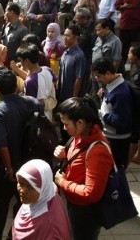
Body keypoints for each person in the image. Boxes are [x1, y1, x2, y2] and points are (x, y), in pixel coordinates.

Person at [0, 68, 43, 240]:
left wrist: (9, 168)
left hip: (9, 168)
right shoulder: (32, 102)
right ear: (16, 86)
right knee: (24, 207)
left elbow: (1, 146)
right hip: (30, 165)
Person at [53, 96, 115, 240]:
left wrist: (62, 182)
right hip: (74, 202)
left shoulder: (98, 151)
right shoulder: (81, 134)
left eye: (66, 124)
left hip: (85, 212)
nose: (64, 128)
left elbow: (91, 193)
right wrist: (64, 153)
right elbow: (78, 158)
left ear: (80, 122)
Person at [12, 159, 70, 240]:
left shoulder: (51, 230)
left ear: (43, 188)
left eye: (30, 187)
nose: (22, 190)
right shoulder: (40, 198)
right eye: (20, 183)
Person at [92, 57, 133, 168]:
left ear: (108, 73)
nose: (97, 79)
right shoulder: (113, 82)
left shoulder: (121, 93)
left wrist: (101, 114)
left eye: (98, 76)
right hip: (111, 135)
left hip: (117, 140)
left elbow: (119, 121)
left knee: (115, 170)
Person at [17, 44, 58, 121]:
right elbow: (55, 81)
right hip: (48, 116)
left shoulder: (30, 81)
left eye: (21, 60)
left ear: (27, 61)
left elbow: (29, 105)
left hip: (38, 121)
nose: (20, 63)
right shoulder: (47, 70)